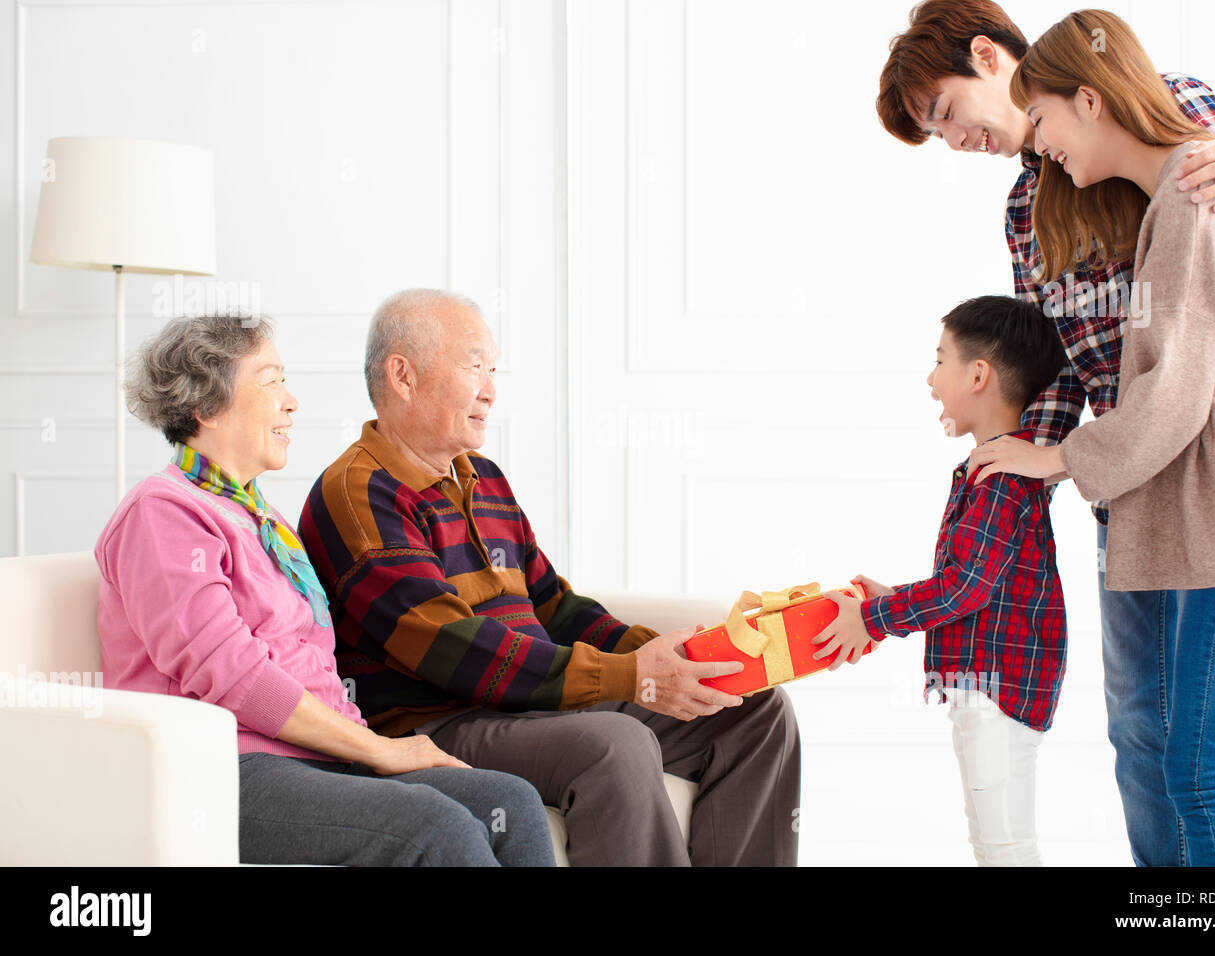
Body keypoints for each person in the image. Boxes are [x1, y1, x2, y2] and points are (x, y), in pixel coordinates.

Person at [877, 0, 1215, 867]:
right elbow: (1061, 362)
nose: (954, 142)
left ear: (990, 58)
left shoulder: (1171, 110)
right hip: (1134, 484)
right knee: (1148, 731)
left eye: (947, 114)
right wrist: (1022, 460)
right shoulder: (1025, 208)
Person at [299, 288, 801, 866]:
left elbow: (553, 605)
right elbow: (449, 648)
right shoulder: (358, 493)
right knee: (613, 745)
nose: (490, 389)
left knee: (755, 711)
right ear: (403, 376)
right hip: (441, 720)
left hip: (533, 705)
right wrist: (629, 675)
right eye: (473, 366)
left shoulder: (482, 478)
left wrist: (675, 657)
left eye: (493, 369)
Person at [95, 313, 554, 867]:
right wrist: (380, 750)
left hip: (319, 755)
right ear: (207, 406)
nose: (292, 402)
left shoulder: (263, 520)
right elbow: (234, 675)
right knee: (434, 829)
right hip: (230, 771)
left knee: (509, 800)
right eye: (271, 381)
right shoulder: (163, 513)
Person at [812, 295, 1067, 866]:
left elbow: (963, 590)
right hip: (989, 687)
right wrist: (894, 599)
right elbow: (970, 582)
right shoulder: (996, 467)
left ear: (978, 375)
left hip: (997, 692)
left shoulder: (1001, 477)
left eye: (940, 359)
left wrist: (872, 618)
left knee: (1004, 846)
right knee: (996, 842)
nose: (930, 378)